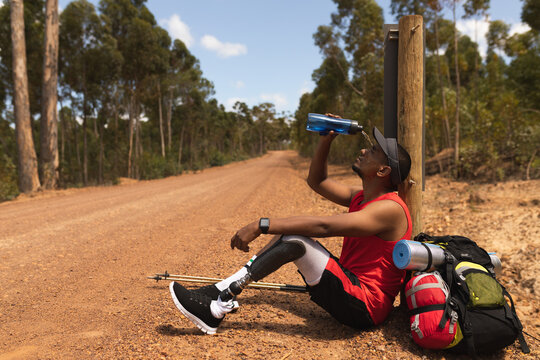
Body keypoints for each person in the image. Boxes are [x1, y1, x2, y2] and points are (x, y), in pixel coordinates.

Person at [169, 123, 412, 335]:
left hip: (366, 305)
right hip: (350, 289)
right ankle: (218, 291)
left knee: (296, 240)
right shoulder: (362, 198)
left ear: (383, 171)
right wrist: (326, 140)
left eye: (372, 151)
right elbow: (318, 182)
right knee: (291, 235)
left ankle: (216, 308)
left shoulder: (389, 209)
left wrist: (262, 225)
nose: (363, 150)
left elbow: (324, 226)